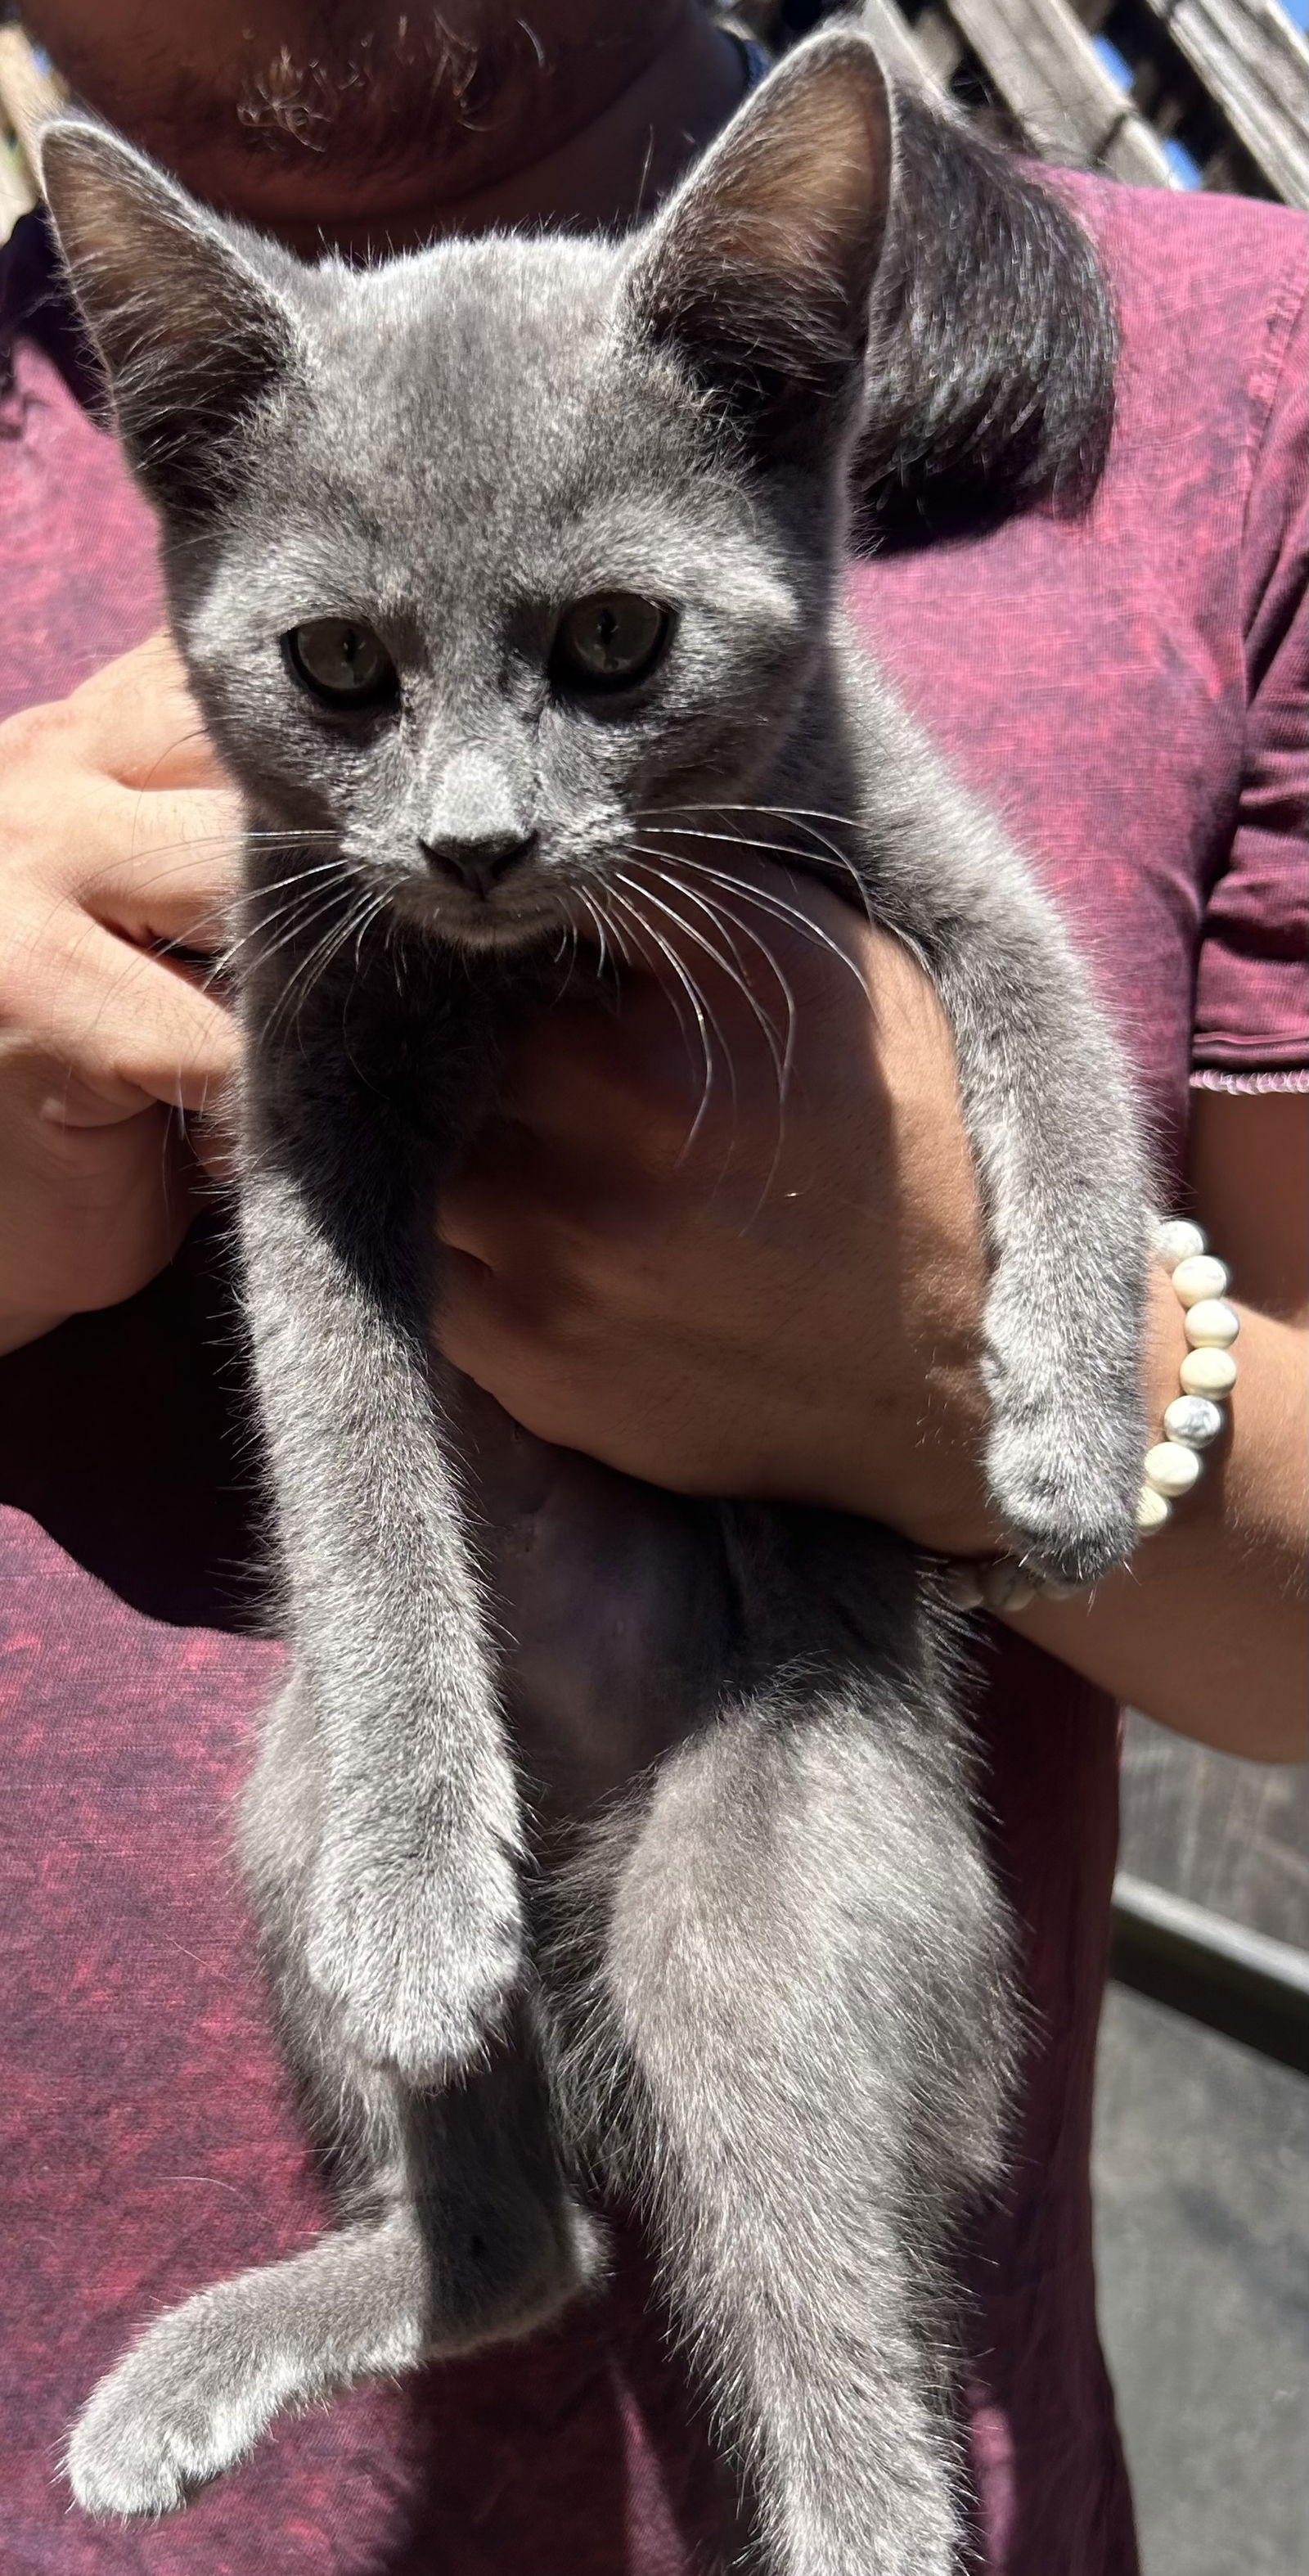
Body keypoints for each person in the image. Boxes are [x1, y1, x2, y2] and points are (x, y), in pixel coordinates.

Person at [1, 5, 1304, 2570]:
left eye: (606, 656)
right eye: (348, 683)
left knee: (765, 1934)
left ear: (783, 394)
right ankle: (459, 2226)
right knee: (336, 1823)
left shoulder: (1237, 391)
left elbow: (1008, 968)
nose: (473, 815)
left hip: (775, 1683)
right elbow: (332, 1217)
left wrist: (1008, 1366)